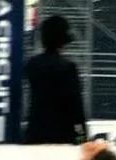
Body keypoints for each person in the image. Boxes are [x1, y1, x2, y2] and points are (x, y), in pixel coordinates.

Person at [23, 16, 87, 145]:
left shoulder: (32, 64)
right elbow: (76, 106)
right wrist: (82, 136)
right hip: (63, 133)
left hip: (36, 131)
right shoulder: (68, 67)